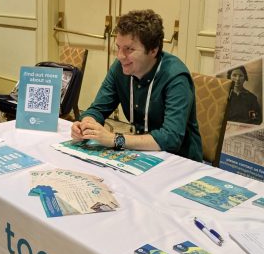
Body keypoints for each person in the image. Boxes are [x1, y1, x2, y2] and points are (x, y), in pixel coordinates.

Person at [71, 9, 202, 161]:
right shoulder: (119, 68)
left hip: (179, 160)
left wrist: (115, 139)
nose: (120, 56)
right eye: (118, 47)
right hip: (142, 153)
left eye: (129, 49)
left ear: (153, 50)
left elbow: (170, 138)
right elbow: (97, 109)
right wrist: (87, 125)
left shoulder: (176, 77)